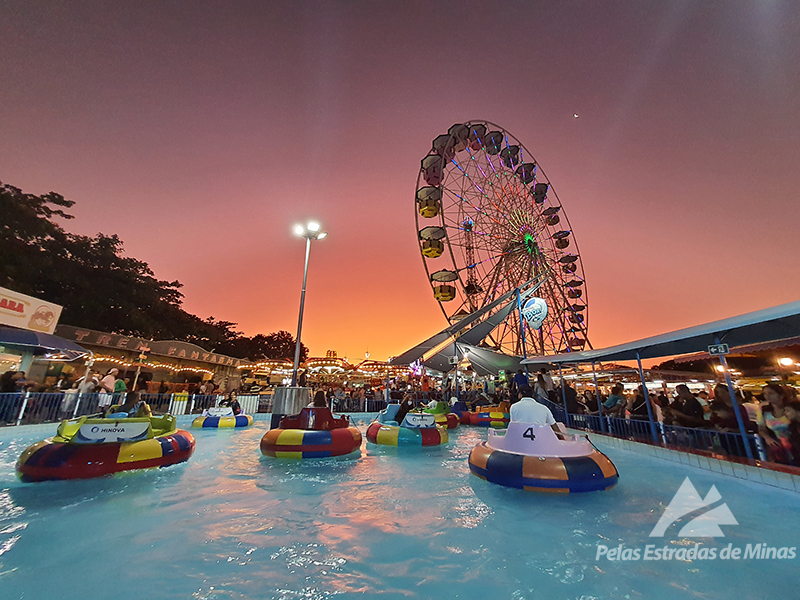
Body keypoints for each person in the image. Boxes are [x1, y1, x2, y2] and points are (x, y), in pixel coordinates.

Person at [757, 384, 792, 463]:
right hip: (780, 446)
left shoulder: (791, 408)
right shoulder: (764, 410)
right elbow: (761, 428)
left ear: (781, 395)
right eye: (765, 394)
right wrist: (767, 437)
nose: (767, 396)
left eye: (771, 393)